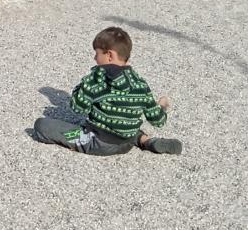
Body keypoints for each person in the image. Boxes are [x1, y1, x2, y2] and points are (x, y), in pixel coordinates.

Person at [32, 26, 182, 156]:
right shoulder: (140, 83)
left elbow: (77, 107)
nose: (94, 58)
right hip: (126, 142)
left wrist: (84, 84)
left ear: (109, 55)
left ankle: (83, 142)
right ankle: (146, 141)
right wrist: (161, 107)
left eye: (97, 54)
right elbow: (158, 120)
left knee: (42, 126)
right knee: (126, 122)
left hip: (99, 141)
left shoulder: (98, 78)